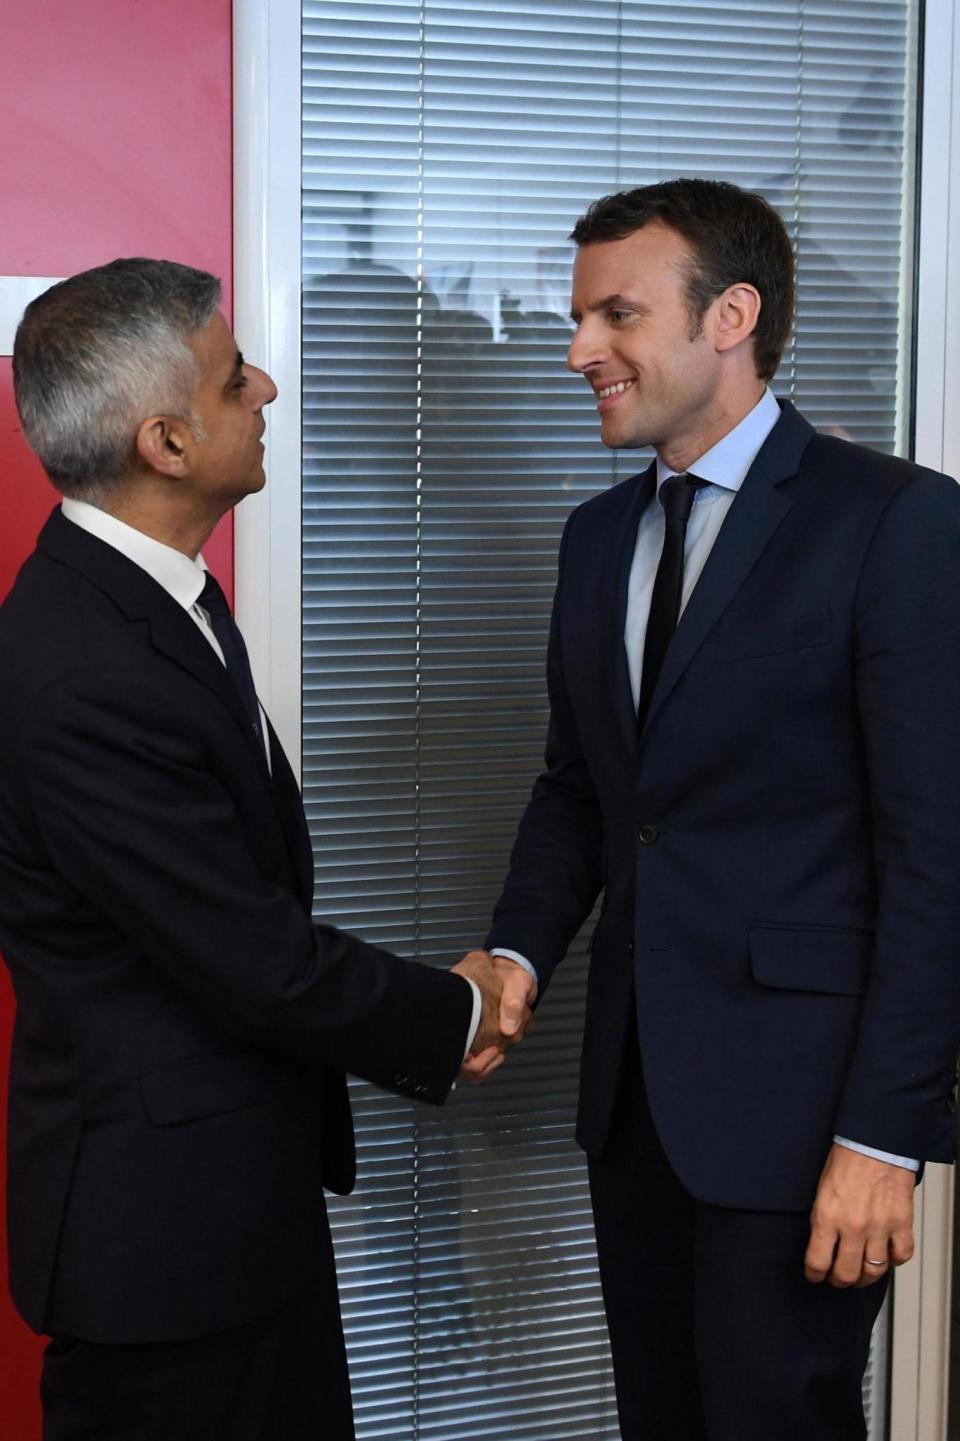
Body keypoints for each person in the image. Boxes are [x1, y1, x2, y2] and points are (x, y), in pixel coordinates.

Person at [464, 178, 960, 1439]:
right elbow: (583, 790)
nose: (579, 350)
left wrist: (883, 1139)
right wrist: (515, 947)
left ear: (730, 314)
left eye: (616, 314)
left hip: (804, 1120)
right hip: (634, 1104)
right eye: (580, 317)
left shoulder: (896, 523)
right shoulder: (594, 539)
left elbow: (936, 854)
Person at [0, 258, 527, 1441]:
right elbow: (249, 957)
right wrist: (452, 1012)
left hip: (229, 1210)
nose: (271, 387)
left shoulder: (151, 601)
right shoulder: (85, 667)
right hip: (164, 1250)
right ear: (168, 442)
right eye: (237, 378)